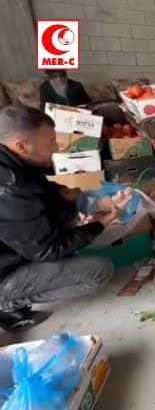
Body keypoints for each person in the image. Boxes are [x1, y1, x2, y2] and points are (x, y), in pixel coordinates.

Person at [0, 106, 117, 332]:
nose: (57, 147)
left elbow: (37, 190)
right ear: (21, 146)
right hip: (4, 269)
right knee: (98, 271)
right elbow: (48, 251)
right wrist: (100, 224)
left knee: (66, 211)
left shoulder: (12, 161)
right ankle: (6, 303)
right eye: (51, 142)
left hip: (11, 244)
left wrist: (72, 196)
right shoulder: (11, 189)